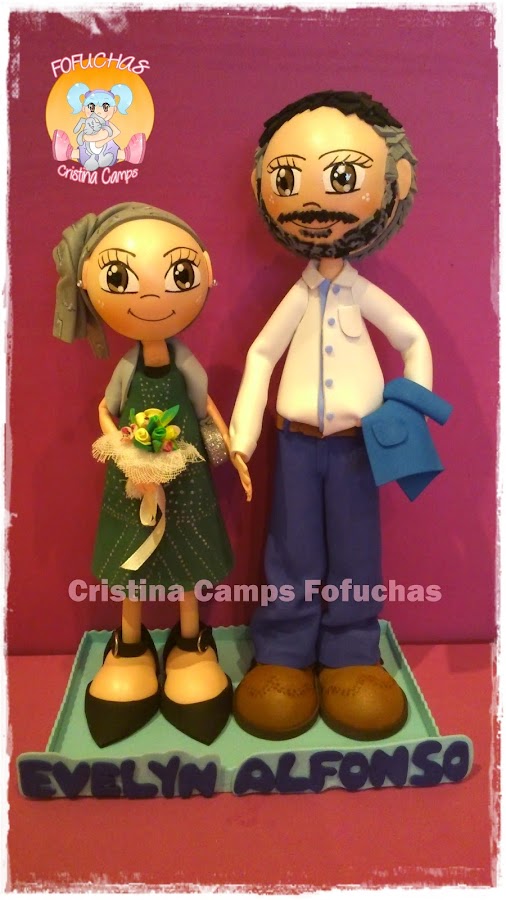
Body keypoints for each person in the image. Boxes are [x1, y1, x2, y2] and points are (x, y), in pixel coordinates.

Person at [230, 91, 432, 741]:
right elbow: (261, 354)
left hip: (355, 447)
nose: (317, 205)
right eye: (289, 180)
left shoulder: (363, 294)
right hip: (293, 445)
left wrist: (407, 413)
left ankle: (350, 649)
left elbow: (413, 340)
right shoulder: (298, 296)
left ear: (396, 185)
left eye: (344, 176)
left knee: (354, 547)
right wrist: (242, 436)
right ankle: (284, 649)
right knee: (290, 547)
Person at [53, 202, 250, 747]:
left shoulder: (185, 363)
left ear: (205, 272)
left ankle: (190, 642)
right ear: (89, 284)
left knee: (185, 556)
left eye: (178, 275)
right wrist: (121, 445)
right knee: (132, 557)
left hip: (185, 478)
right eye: (120, 279)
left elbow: (206, 408)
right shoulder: (126, 367)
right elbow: (106, 409)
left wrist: (230, 450)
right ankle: (130, 644)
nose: (150, 297)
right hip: (135, 476)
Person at [52, 84, 145, 168]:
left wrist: (100, 141)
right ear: (83, 109)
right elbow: (86, 135)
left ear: (114, 109)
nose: (98, 111)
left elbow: (116, 132)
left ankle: (129, 155)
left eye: (105, 107)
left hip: (109, 151)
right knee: (81, 152)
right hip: (86, 154)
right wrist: (92, 139)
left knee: (115, 152)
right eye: (92, 107)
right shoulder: (89, 122)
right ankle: (67, 153)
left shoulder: (107, 125)